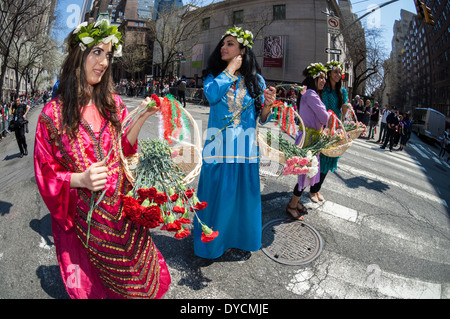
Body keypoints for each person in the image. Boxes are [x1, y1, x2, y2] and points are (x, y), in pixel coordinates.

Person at [33, 20, 170, 299]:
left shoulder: (112, 103)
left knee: (135, 281)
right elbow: (45, 173)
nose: (104, 62)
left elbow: (123, 150)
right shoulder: (53, 114)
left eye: (108, 55)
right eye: (96, 52)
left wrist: (141, 117)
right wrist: (79, 179)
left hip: (124, 213)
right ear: (78, 55)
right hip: (87, 221)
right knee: (98, 286)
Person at [193, 26, 276, 259]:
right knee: (216, 196)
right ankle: (213, 244)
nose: (223, 47)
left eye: (230, 43)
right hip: (217, 147)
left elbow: (264, 117)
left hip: (245, 149)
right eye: (223, 43)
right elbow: (211, 96)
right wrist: (229, 69)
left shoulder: (256, 80)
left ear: (242, 50)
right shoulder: (214, 75)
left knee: (241, 198)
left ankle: (238, 239)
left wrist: (268, 104)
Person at [286, 63, 329, 218]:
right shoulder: (310, 93)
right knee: (304, 172)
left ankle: (295, 201)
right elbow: (324, 117)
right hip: (308, 139)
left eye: (325, 78)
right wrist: (330, 115)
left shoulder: (311, 93)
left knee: (306, 172)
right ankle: (292, 205)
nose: (324, 80)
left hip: (311, 138)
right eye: (321, 77)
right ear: (313, 78)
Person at [308, 60, 348, 204]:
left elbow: (343, 111)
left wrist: (346, 107)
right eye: (335, 71)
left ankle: (317, 188)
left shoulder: (342, 91)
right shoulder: (323, 89)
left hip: (336, 128)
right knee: (321, 159)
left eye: (340, 72)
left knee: (330, 158)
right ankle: (313, 189)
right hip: (323, 127)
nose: (338, 74)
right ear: (329, 73)